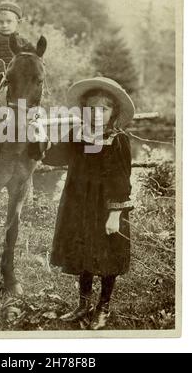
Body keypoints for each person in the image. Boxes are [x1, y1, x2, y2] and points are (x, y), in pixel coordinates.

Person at [42, 77, 135, 329]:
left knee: (106, 255)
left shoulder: (116, 140)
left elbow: (120, 180)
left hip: (105, 207)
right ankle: (83, 304)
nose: (96, 115)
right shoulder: (78, 134)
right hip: (78, 204)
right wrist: (40, 137)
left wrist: (115, 214)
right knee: (83, 251)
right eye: (91, 109)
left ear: (113, 112)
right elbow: (54, 156)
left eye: (103, 110)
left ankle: (103, 306)